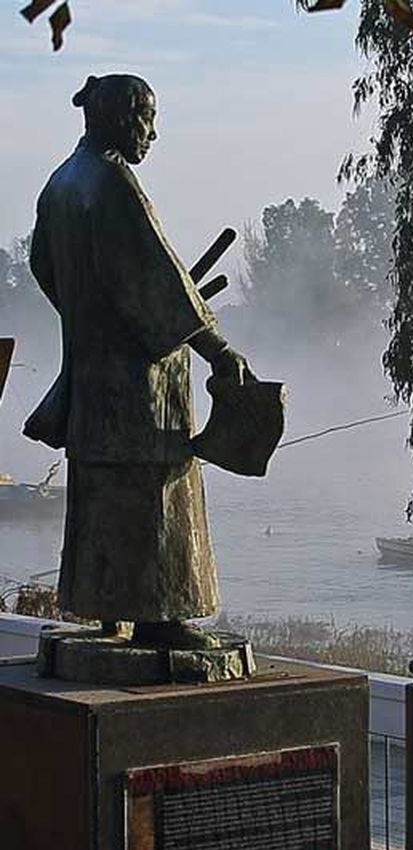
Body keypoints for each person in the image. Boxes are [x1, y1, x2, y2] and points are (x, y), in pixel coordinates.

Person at [24, 74, 250, 650]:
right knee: (155, 495)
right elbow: (159, 287)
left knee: (102, 496)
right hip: (139, 392)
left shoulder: (60, 185)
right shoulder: (113, 185)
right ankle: (158, 617)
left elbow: (44, 268)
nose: (153, 131)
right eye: (147, 117)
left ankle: (107, 608)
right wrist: (219, 353)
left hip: (91, 381)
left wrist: (88, 315)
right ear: (119, 119)